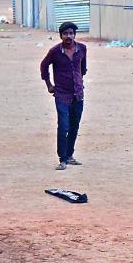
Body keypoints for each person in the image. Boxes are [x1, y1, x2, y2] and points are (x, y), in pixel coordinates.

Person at [40, 22, 87, 170]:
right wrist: (49, 84)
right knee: (63, 127)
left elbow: (83, 68)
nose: (69, 36)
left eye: (71, 33)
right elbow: (43, 65)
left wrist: (79, 81)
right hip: (61, 95)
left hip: (78, 95)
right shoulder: (55, 51)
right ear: (61, 36)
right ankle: (62, 159)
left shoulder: (82, 49)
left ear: (74, 35)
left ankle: (70, 155)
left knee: (74, 126)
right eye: (65, 33)